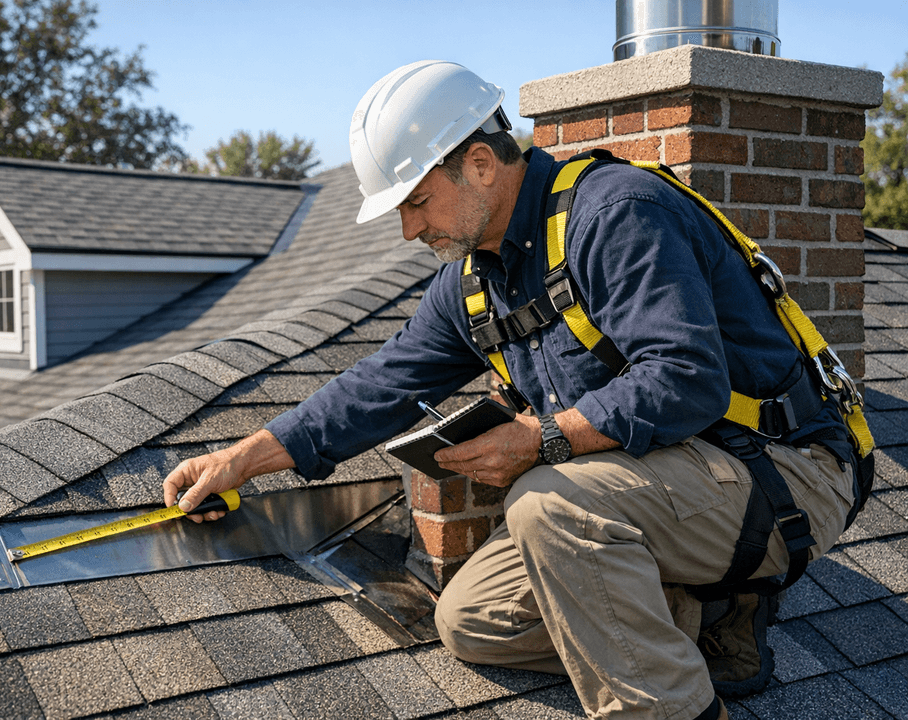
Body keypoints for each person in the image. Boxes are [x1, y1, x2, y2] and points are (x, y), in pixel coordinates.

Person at [163, 61, 858, 720]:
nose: (409, 230)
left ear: (481, 164)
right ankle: (706, 617)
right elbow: (379, 383)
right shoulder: (473, 281)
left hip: (779, 474)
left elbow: (686, 379)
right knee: (471, 622)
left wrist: (540, 438)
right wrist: (242, 459)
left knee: (547, 503)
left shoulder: (616, 214)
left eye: (416, 202)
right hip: (663, 488)